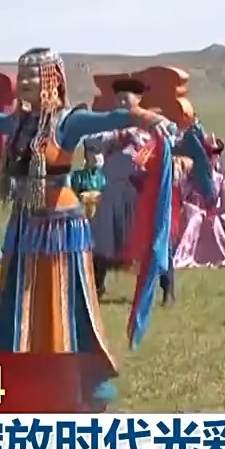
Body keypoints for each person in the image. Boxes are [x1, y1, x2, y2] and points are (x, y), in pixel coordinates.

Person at [0, 48, 183, 411]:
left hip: (61, 229)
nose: (25, 81)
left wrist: (146, 118)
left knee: (61, 302)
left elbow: (109, 118)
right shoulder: (18, 122)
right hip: (25, 224)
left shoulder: (68, 122)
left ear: (52, 80)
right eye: (22, 74)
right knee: (19, 300)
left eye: (33, 74)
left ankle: (63, 380)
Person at [89, 78, 151, 297]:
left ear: (138, 99)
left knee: (145, 244)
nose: (122, 102)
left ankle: (156, 290)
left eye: (126, 98)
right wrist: (119, 135)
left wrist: (138, 137)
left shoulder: (148, 123)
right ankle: (97, 286)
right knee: (102, 240)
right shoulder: (109, 124)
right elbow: (91, 143)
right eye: (118, 98)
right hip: (112, 192)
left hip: (138, 193)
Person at [172, 135, 225, 269]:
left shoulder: (222, 177)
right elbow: (184, 197)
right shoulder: (193, 175)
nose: (212, 157)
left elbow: (224, 205)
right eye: (209, 153)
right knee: (195, 217)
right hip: (192, 212)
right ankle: (184, 254)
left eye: (216, 153)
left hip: (214, 214)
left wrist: (211, 212)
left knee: (207, 219)